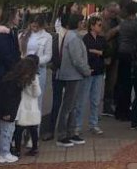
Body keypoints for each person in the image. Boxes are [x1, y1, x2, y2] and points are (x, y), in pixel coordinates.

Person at [0, 7, 21, 156]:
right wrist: (16, 67)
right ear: (11, 17)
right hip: (4, 76)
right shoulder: (2, 34)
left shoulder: (10, 33)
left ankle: (3, 143)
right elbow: (6, 55)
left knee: (4, 109)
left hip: (9, 74)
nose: (20, 18)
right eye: (18, 16)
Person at [55, 13, 91, 148]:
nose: (83, 24)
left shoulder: (71, 36)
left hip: (73, 74)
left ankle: (71, 132)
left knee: (73, 105)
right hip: (72, 75)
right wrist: (86, 70)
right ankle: (63, 135)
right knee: (69, 105)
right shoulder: (73, 38)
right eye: (82, 21)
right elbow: (77, 59)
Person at [114, 0, 137, 120]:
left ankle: (119, 110)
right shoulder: (135, 25)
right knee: (128, 84)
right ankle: (125, 111)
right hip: (130, 53)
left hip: (121, 52)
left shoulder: (123, 24)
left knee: (121, 82)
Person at [79, 15, 106, 134]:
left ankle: (93, 123)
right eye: (99, 25)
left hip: (99, 71)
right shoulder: (86, 38)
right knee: (83, 99)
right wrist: (98, 53)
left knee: (95, 100)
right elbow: (85, 53)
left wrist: (95, 51)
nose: (101, 27)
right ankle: (77, 125)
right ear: (92, 26)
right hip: (89, 71)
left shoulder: (101, 39)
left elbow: (107, 52)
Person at [20, 14, 52, 113]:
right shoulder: (23, 35)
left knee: (37, 99)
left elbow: (48, 55)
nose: (34, 28)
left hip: (38, 70)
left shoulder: (47, 37)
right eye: (33, 26)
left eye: (37, 26)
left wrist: (36, 60)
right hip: (23, 69)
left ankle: (35, 126)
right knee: (23, 98)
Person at [11, 56, 42, 158]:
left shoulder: (19, 77)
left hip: (21, 106)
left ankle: (18, 149)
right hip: (32, 107)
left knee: (19, 129)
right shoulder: (34, 78)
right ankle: (34, 147)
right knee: (33, 128)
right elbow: (37, 93)